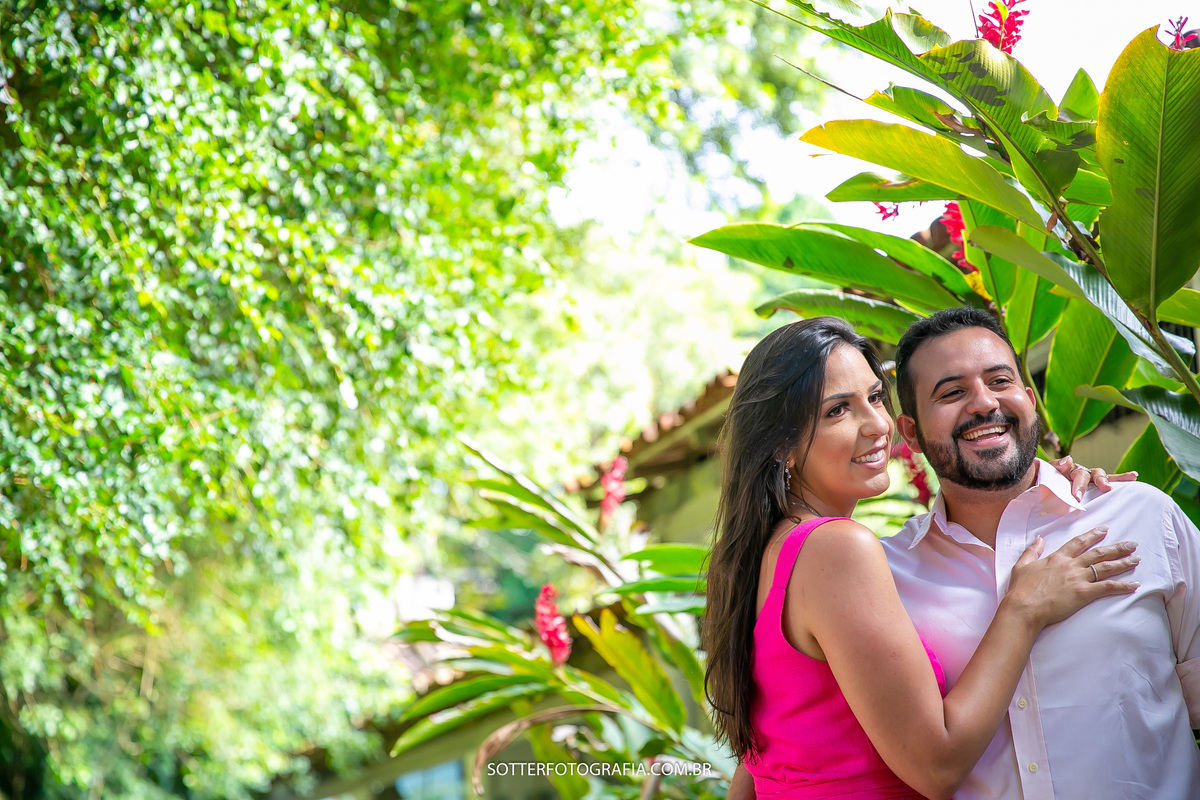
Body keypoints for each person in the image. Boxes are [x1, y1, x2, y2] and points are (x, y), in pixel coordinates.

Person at [703, 316, 1139, 800]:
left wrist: (1040, 487)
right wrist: (1024, 608)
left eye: (873, 398)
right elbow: (937, 766)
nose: (876, 426)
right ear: (781, 445)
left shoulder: (768, 558)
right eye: (837, 411)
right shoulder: (835, 549)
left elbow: (756, 769)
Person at [881, 307, 1200, 799]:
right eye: (951, 392)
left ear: (1028, 399)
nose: (984, 404)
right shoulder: (887, 576)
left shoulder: (1142, 517)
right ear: (910, 431)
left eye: (999, 380)